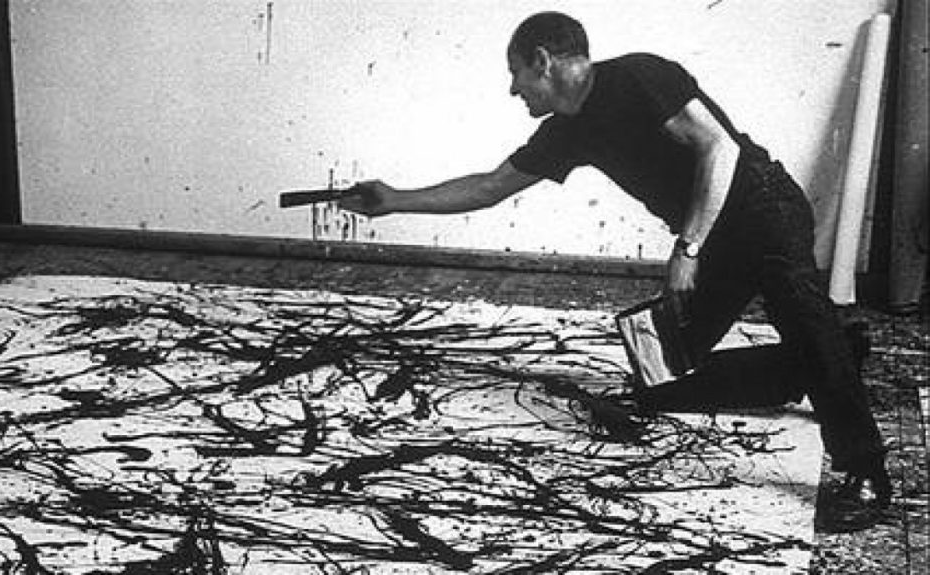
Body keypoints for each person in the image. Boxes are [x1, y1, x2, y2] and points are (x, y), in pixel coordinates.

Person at [338, 11, 890, 508]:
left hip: (763, 211)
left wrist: (689, 248)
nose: (513, 89)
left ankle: (865, 467)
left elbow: (718, 148)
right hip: (714, 242)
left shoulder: (639, 76)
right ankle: (831, 357)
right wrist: (395, 199)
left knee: (801, 313)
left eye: (516, 74)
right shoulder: (566, 131)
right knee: (656, 381)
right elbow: (489, 186)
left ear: (542, 60)